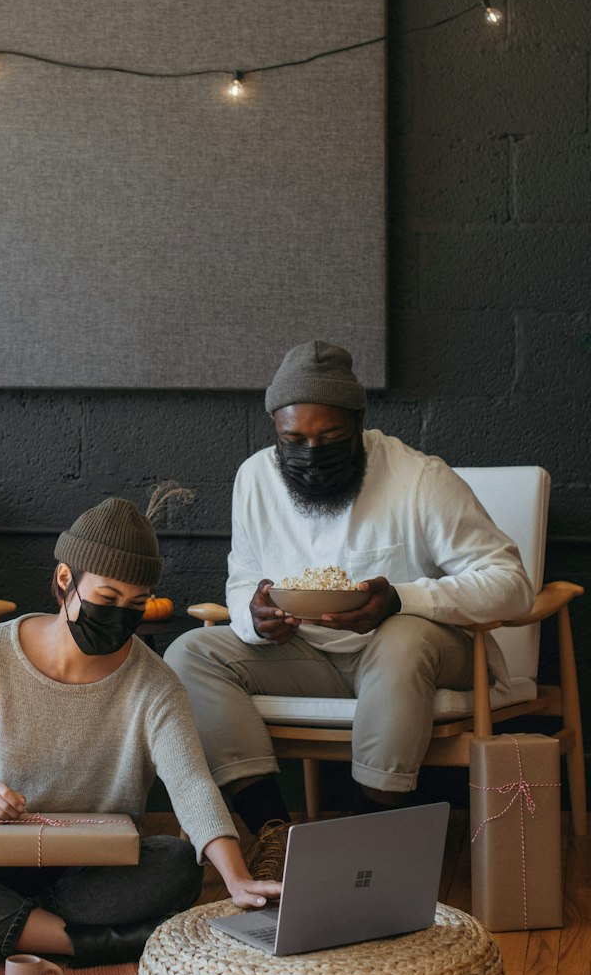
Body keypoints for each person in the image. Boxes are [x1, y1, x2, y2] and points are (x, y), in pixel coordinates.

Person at [164, 339, 534, 868]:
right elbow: (242, 579)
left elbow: (511, 583)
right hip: (306, 654)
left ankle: (363, 837)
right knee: (189, 652)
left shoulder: (419, 479)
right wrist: (255, 617)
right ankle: (273, 834)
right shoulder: (255, 479)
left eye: (330, 436)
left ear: (359, 423)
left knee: (401, 637)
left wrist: (402, 599)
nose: (310, 452)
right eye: (293, 439)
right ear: (275, 430)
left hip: (420, 659)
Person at [0, 498, 281, 969]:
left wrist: (237, 878)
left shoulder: (155, 685)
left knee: (175, 865)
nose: (121, 616)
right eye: (107, 599)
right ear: (66, 580)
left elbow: (190, 782)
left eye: (136, 604)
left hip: (94, 871)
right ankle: (82, 944)